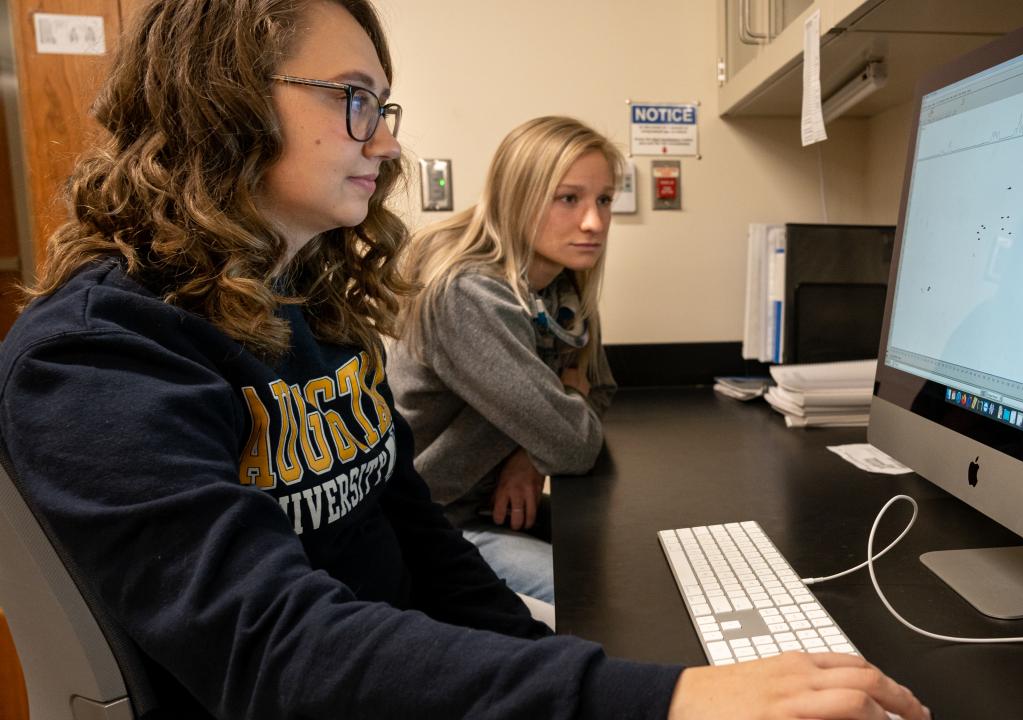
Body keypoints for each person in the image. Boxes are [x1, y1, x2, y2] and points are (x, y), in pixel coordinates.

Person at [0, 1, 929, 718]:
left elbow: (426, 548)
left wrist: (635, 685)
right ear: (222, 99)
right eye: (353, 99)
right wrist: (662, 700)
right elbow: (277, 651)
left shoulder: (309, 311)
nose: (389, 138)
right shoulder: (97, 358)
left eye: (382, 105)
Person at [387, 116, 620, 605]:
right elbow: (574, 444)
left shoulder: (559, 288)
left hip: (496, 504)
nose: (594, 222)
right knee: (598, 602)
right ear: (518, 197)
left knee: (643, 554)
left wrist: (527, 454)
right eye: (569, 198)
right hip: (438, 525)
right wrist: (549, 424)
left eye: (604, 200)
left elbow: (599, 390)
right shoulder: (466, 294)